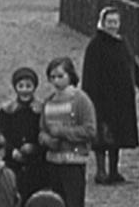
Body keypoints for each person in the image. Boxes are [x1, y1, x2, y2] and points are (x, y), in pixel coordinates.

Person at [81, 6, 139, 185]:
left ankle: (114, 171)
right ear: (103, 22)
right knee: (102, 136)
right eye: (109, 22)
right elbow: (89, 75)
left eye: (115, 22)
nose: (113, 26)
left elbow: (133, 68)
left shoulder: (123, 43)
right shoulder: (96, 45)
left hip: (122, 98)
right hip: (101, 98)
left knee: (118, 135)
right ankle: (101, 171)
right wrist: (89, 99)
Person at [39, 57, 96, 207]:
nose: (56, 81)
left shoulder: (80, 100)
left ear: (70, 76)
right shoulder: (49, 101)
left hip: (73, 161)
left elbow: (90, 130)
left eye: (60, 76)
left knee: (73, 202)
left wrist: (63, 132)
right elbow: (42, 130)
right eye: (52, 77)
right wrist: (47, 140)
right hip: (53, 161)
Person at [0, 67, 46, 204]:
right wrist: (12, 151)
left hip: (37, 164)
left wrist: (35, 148)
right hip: (13, 163)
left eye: (28, 86)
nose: (25, 90)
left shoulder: (40, 110)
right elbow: (0, 136)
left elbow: (45, 133)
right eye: (21, 86)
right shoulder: (7, 111)